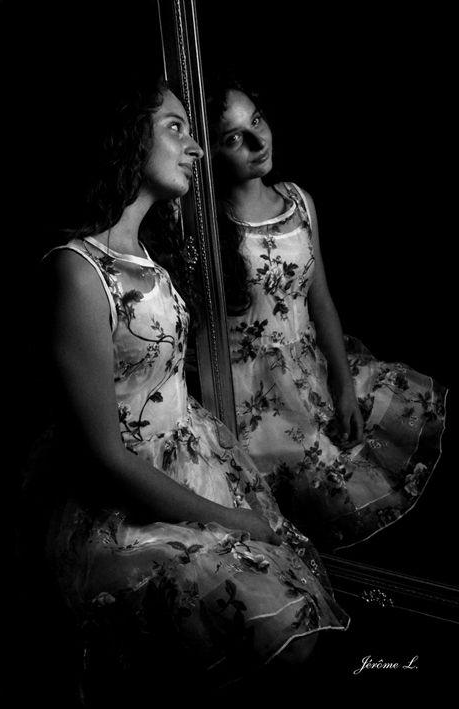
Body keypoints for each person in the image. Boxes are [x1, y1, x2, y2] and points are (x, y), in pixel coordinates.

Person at [23, 75, 349, 699]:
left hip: (191, 463)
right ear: (126, 137)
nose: (196, 147)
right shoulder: (78, 270)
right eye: (175, 127)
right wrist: (228, 517)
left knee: (288, 614)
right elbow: (103, 454)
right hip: (122, 503)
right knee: (263, 619)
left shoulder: (148, 255)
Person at [207, 78, 447, 551]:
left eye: (257, 121)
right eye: (234, 138)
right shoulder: (209, 225)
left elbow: (321, 302)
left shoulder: (298, 201)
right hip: (249, 396)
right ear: (211, 152)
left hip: (310, 373)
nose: (257, 141)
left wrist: (343, 385)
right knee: (293, 520)